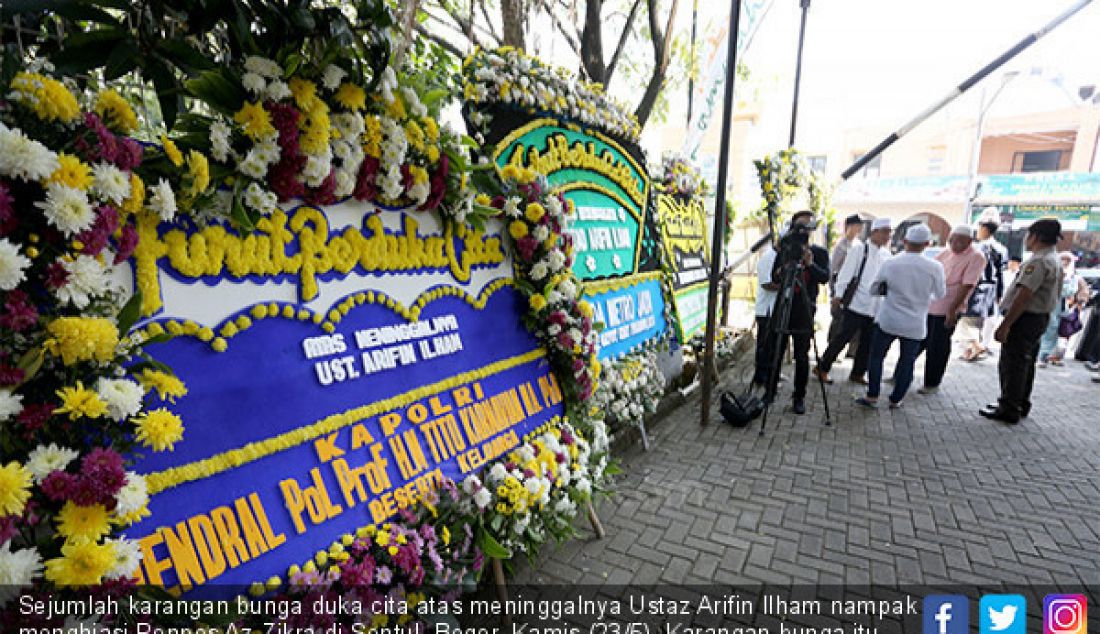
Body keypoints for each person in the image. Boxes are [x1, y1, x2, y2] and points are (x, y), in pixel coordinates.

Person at [980, 219, 1064, 424]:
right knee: (1026, 363)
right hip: (1038, 318)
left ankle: (1009, 407)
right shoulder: (1054, 258)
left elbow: (1024, 295)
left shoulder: (1038, 261)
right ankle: (1019, 403)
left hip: (1025, 318)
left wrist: (1006, 324)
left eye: (1028, 234)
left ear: (1036, 236)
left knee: (1013, 363)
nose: (1026, 239)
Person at [856, 223, 946, 409]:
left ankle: (872, 395)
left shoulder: (891, 262)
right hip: (915, 322)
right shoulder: (935, 267)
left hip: (889, 318)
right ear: (927, 244)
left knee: (876, 357)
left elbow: (875, 288)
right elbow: (940, 294)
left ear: (905, 241)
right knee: (907, 361)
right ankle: (896, 399)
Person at [766, 210, 830, 415]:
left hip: (804, 308)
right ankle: (770, 391)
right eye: (799, 226)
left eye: (807, 226)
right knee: (775, 351)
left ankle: (799, 396)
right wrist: (781, 270)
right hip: (784, 306)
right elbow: (775, 278)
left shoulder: (819, 253)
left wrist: (810, 264)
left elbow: (825, 277)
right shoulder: (785, 249)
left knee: (802, 356)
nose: (803, 231)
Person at [815, 217, 892, 385]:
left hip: (876, 307)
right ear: (874, 232)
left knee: (867, 343)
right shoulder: (860, 249)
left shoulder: (887, 254)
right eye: (885, 232)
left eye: (889, 232)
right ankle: (822, 367)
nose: (888, 236)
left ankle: (857, 373)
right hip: (856, 304)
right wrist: (838, 295)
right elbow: (846, 274)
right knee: (842, 338)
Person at [916, 224, 985, 394]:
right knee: (918, 341)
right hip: (931, 304)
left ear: (969, 241)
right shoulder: (946, 253)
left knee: (937, 346)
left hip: (948, 308)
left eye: (960, 241)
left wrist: (953, 310)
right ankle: (900, 373)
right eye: (952, 240)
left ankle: (932, 382)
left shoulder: (976, 257)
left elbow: (967, 285)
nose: (955, 244)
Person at [959, 219, 1007, 360]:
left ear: (985, 229)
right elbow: (1000, 274)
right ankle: (969, 352)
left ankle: (977, 346)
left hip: (977, 287)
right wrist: (999, 293)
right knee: (977, 322)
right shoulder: (1001, 249)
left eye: (979, 229)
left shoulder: (978, 248)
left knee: (966, 322)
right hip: (991, 289)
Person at [1038, 252, 1090, 367]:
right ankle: (1042, 356)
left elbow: (1083, 291)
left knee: (1063, 334)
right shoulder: (1052, 274)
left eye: (1067, 260)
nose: (1064, 262)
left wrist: (1080, 302)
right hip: (1050, 306)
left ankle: (1055, 356)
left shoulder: (1075, 277)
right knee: (1047, 331)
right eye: (1062, 259)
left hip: (1067, 310)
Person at [827, 214, 865, 346]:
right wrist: (834, 290)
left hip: (854, 288)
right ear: (848, 227)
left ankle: (852, 348)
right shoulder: (841, 246)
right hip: (840, 285)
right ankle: (832, 344)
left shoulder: (860, 245)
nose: (858, 229)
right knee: (838, 318)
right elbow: (833, 269)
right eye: (856, 226)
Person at [752, 242, 779, 389]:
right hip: (766, 310)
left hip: (775, 309)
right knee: (764, 345)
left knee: (773, 345)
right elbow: (766, 283)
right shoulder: (768, 257)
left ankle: (770, 373)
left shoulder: (779, 257)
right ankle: (760, 376)